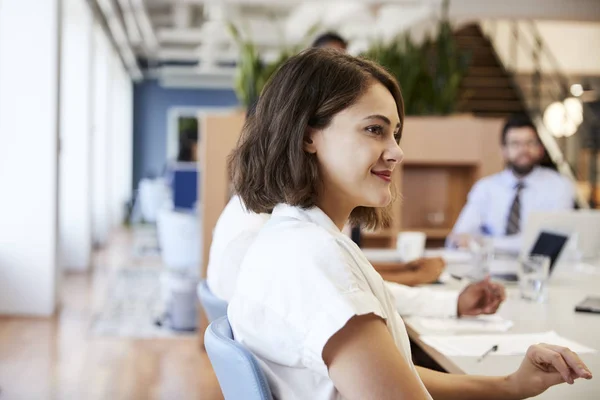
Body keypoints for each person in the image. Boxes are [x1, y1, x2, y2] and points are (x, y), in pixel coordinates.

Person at [226, 48, 592, 399]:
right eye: (374, 129)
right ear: (308, 135)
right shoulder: (312, 257)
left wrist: (510, 386)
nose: (397, 151)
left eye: (395, 134)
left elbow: (392, 375)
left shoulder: (295, 238)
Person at [206, 194, 504, 318]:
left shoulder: (252, 213)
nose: (394, 153)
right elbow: (351, 291)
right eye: (372, 129)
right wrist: (509, 387)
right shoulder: (288, 241)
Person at [449, 114, 575, 254]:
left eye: (530, 143)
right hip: (489, 269)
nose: (524, 150)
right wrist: (467, 241)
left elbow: (551, 241)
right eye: (515, 144)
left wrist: (486, 242)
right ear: (504, 150)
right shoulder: (485, 188)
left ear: (540, 149)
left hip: (536, 268)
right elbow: (458, 237)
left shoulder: (559, 186)